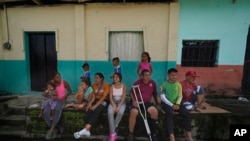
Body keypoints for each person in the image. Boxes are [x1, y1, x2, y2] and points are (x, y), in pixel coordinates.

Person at [74, 72, 110, 139]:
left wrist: (95, 106)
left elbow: (104, 97)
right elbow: (93, 96)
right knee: (88, 109)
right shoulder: (93, 85)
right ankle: (87, 131)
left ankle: (85, 129)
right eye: (95, 78)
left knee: (97, 109)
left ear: (101, 79)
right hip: (95, 101)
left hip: (104, 101)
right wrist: (90, 103)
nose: (95, 79)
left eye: (97, 78)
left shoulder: (106, 85)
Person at [128, 69, 159, 141]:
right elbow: (131, 93)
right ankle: (130, 133)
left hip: (147, 103)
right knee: (134, 112)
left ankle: (152, 133)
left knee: (154, 111)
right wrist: (134, 100)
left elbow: (155, 94)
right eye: (146, 75)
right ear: (142, 76)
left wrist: (157, 103)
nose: (148, 77)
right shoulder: (137, 83)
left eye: (149, 75)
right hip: (137, 102)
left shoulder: (152, 83)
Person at [43, 72, 72, 140]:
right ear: (53, 78)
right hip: (51, 101)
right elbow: (45, 93)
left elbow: (70, 91)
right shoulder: (50, 83)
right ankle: (53, 129)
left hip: (60, 101)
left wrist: (65, 96)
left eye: (59, 77)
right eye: (56, 77)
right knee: (45, 112)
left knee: (57, 110)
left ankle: (51, 130)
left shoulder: (64, 82)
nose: (59, 78)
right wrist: (46, 94)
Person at [180, 70, 207, 141]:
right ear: (187, 77)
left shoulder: (194, 85)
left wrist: (201, 101)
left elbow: (201, 94)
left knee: (199, 87)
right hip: (183, 101)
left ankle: (198, 105)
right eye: (192, 77)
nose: (194, 79)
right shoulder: (181, 84)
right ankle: (195, 106)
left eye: (195, 77)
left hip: (191, 100)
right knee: (188, 108)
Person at [160, 68, 182, 141]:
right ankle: (171, 135)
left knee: (186, 111)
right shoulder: (163, 84)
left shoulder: (179, 85)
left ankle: (188, 133)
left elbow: (180, 96)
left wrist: (178, 104)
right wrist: (171, 105)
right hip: (166, 103)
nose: (174, 77)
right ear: (168, 75)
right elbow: (162, 97)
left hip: (176, 103)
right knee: (170, 113)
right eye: (172, 75)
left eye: (176, 75)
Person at [108, 73, 126, 141]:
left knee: (120, 112)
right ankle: (113, 133)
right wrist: (114, 105)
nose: (115, 78)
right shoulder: (111, 86)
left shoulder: (123, 86)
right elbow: (110, 98)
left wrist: (119, 106)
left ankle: (112, 129)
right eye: (114, 77)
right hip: (113, 102)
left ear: (120, 78)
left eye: (117, 77)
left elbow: (124, 97)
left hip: (121, 102)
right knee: (110, 112)